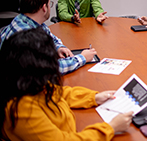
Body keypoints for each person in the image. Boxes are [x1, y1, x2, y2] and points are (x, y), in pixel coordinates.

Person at [0, 28, 133, 140]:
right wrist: (111, 127)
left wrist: (94, 97)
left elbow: (60, 92)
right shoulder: (22, 110)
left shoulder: (27, 82)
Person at [0, 0, 96, 75]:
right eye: (50, 4)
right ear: (44, 8)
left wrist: (59, 47)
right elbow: (52, 68)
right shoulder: (27, 38)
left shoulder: (27, 21)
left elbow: (51, 37)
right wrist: (83, 57)